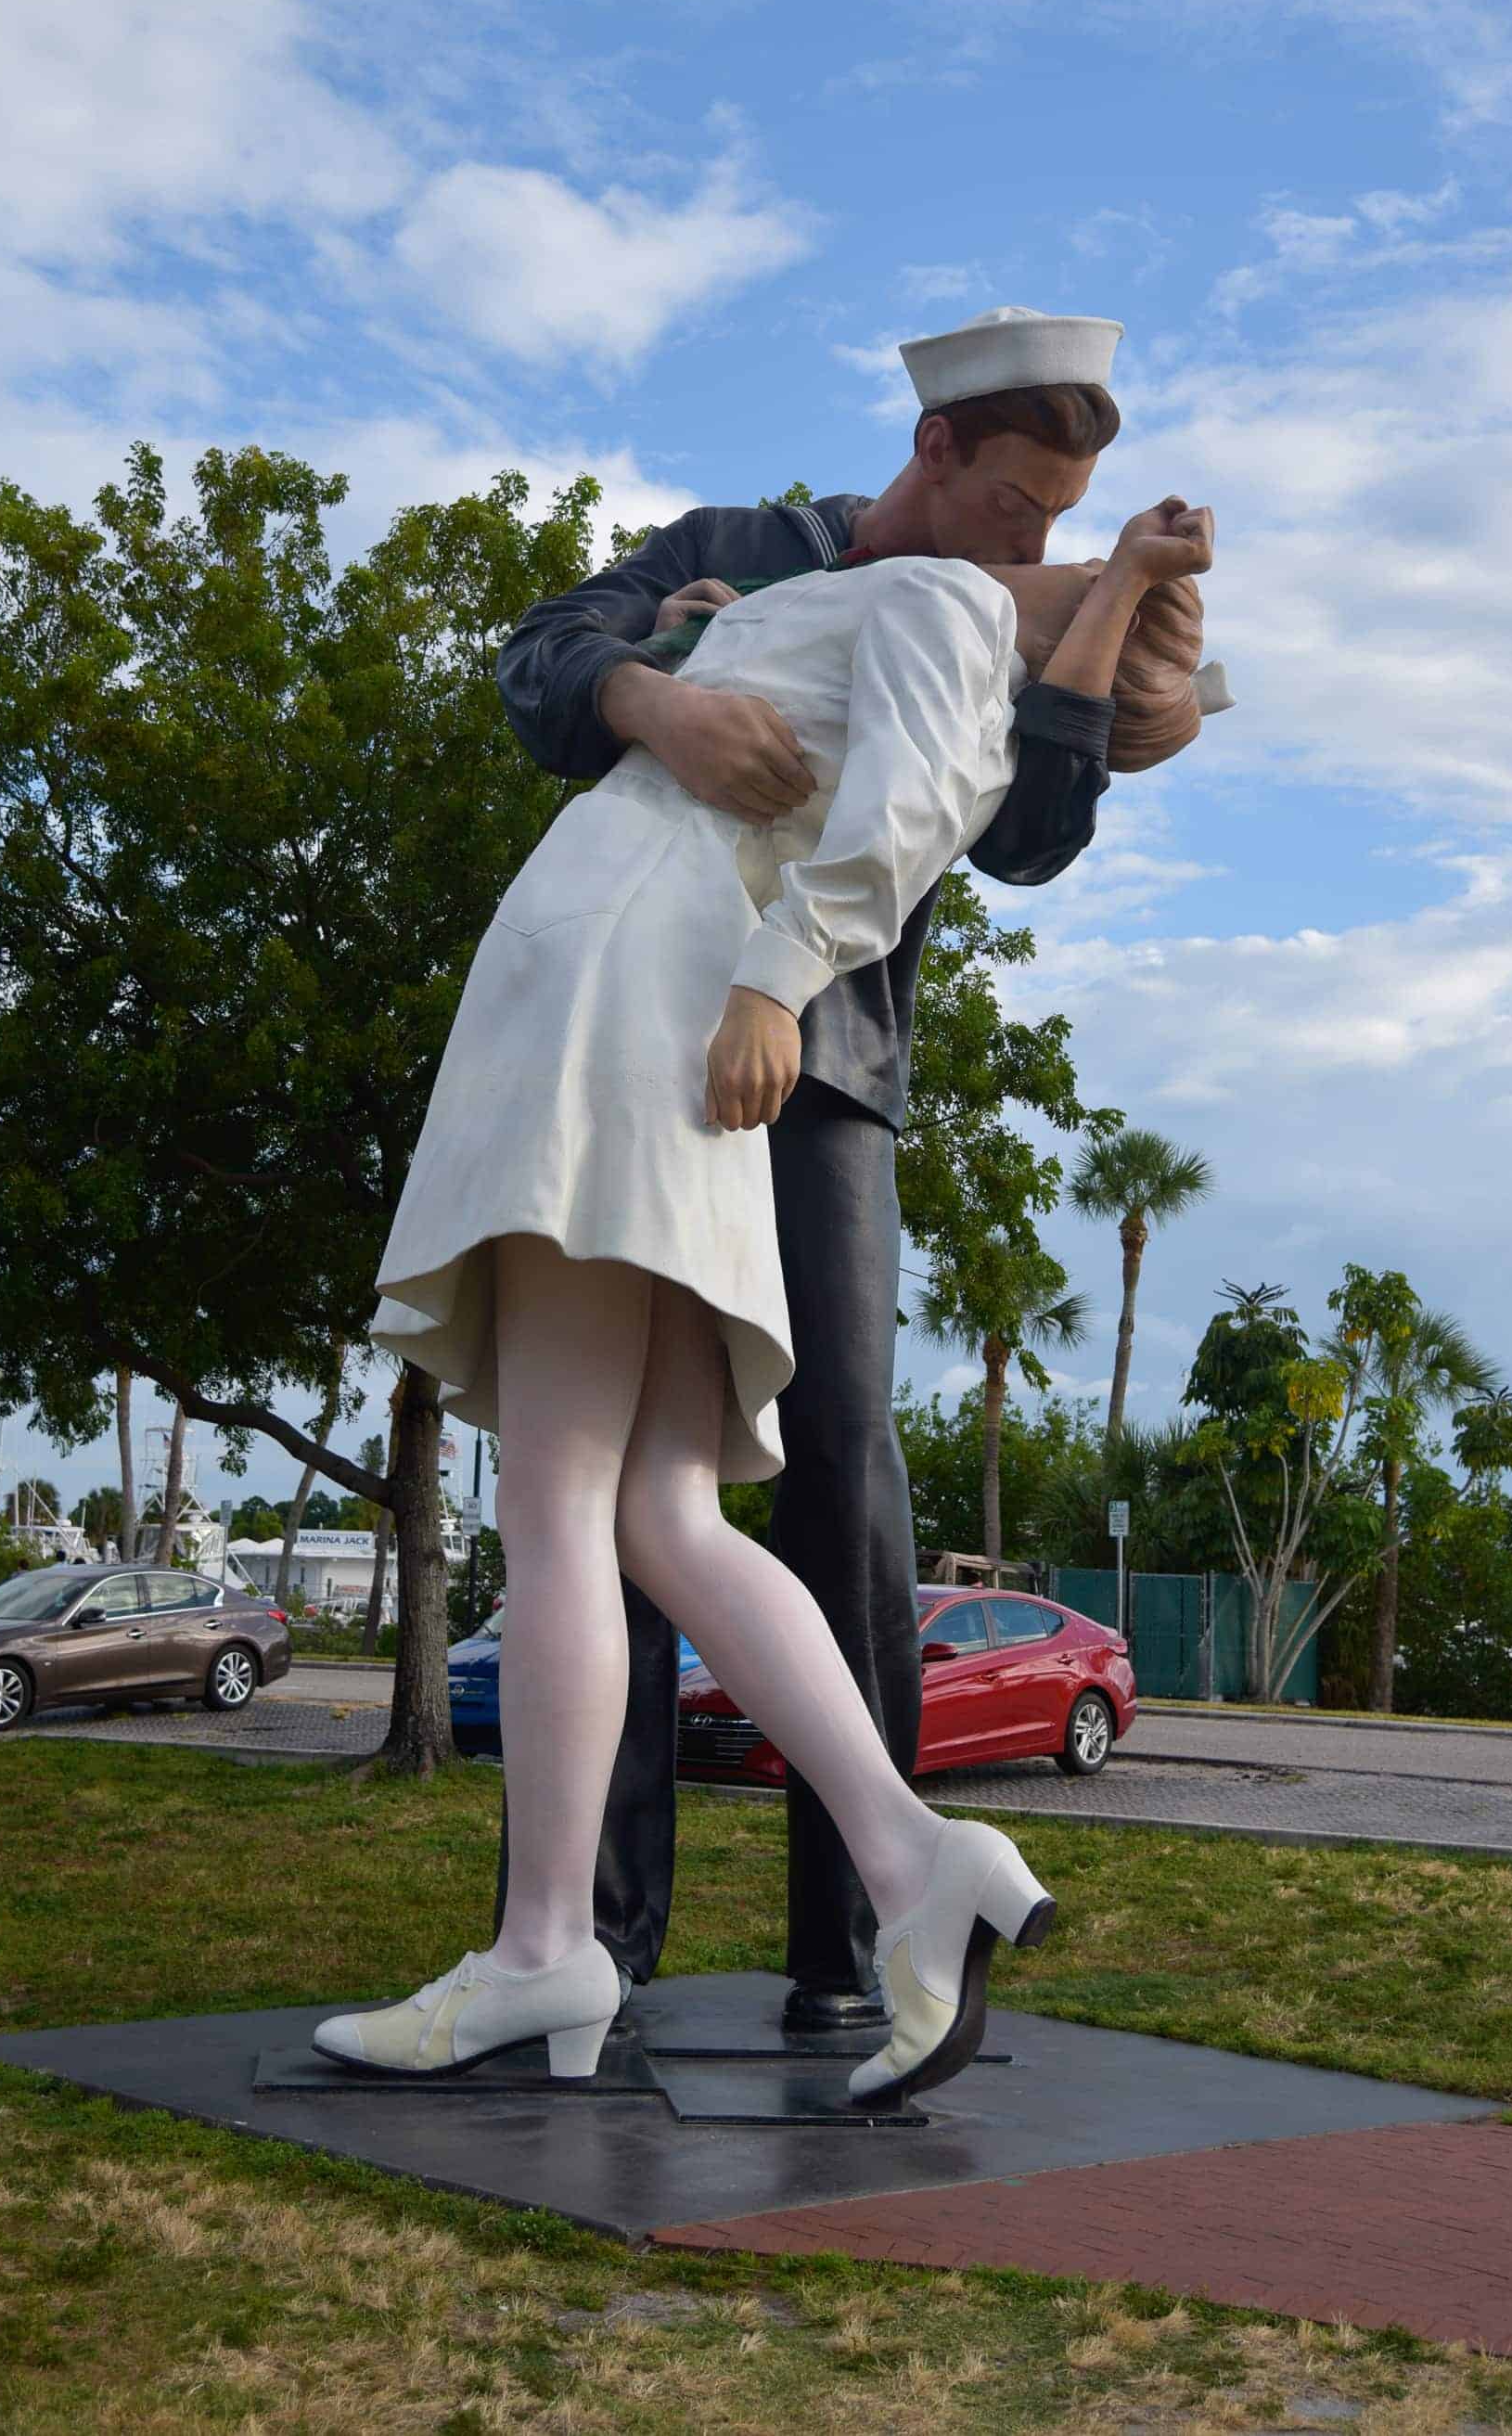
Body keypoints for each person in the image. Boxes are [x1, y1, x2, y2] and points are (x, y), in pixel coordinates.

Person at [314, 515, 1211, 2106]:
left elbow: (920, 807)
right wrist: (717, 631)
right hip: (652, 988)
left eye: (1062, 551)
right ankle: (908, 1853)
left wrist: (778, 971)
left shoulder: (932, 598)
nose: (1037, 547)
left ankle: (544, 1950)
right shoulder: (853, 599)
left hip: (615, 993)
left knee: (561, 1504)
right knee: (659, 1509)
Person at [488, 305, 1221, 2031]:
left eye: (1063, 521)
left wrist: (1122, 665)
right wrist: (651, 697)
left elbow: (1029, 837)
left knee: (841, 1472)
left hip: (831, 1069)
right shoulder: (736, 553)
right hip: (648, 1040)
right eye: (1016, 499)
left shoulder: (993, 613)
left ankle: (854, 1945)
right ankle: (598, 1928)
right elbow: (542, 664)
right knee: (601, 1496)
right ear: (938, 449)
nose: (1030, 541)